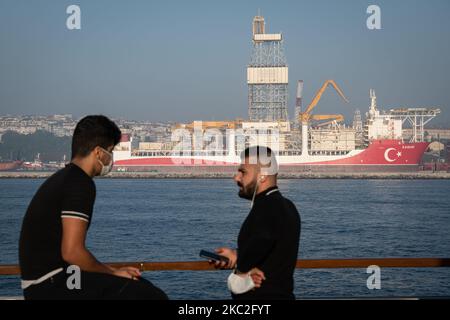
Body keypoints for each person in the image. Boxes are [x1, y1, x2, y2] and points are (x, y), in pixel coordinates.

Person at [19, 115, 168, 300]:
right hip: (53, 285)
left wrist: (111, 272)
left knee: (136, 287)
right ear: (98, 153)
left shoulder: (62, 178)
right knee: (150, 296)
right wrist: (113, 273)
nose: (111, 158)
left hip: (41, 284)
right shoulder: (80, 183)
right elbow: (72, 252)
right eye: (110, 151)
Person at [214, 146, 301, 300]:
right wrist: (238, 255)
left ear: (262, 176)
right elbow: (271, 250)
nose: (236, 178)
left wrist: (241, 268)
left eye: (243, 172)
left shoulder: (266, 208)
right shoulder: (288, 206)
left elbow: (263, 239)